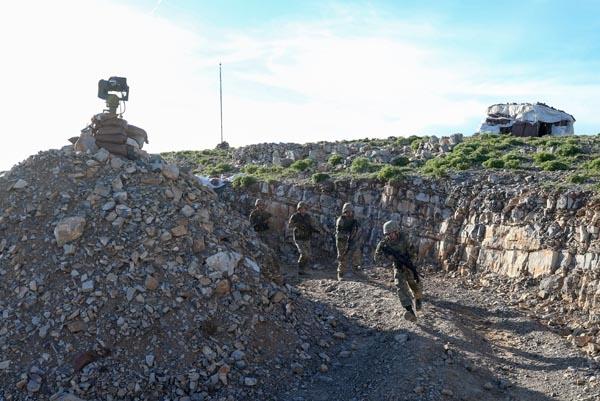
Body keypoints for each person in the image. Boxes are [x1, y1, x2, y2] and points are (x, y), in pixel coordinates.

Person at [374, 220, 423, 322]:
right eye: (387, 234)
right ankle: (410, 311)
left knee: (414, 285)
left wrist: (409, 263)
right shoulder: (384, 244)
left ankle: (418, 299)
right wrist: (388, 257)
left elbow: (414, 254)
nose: (389, 236)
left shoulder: (405, 239)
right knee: (400, 287)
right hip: (398, 266)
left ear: (396, 231)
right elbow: (377, 258)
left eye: (391, 233)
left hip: (408, 265)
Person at [288, 201, 320, 276]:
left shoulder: (308, 217)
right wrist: (298, 225)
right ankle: (300, 267)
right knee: (304, 253)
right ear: (298, 209)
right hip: (298, 238)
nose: (302, 210)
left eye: (304, 208)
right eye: (301, 209)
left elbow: (313, 225)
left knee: (308, 255)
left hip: (306, 238)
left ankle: (303, 269)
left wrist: (317, 230)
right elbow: (290, 225)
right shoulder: (295, 216)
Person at [335, 202, 361, 281]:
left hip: (350, 239)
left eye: (351, 211)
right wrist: (346, 236)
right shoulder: (341, 220)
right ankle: (340, 274)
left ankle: (356, 268)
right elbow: (339, 233)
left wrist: (354, 235)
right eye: (348, 211)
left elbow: (357, 229)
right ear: (344, 212)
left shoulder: (354, 220)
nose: (350, 213)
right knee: (342, 257)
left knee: (357, 252)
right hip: (341, 241)